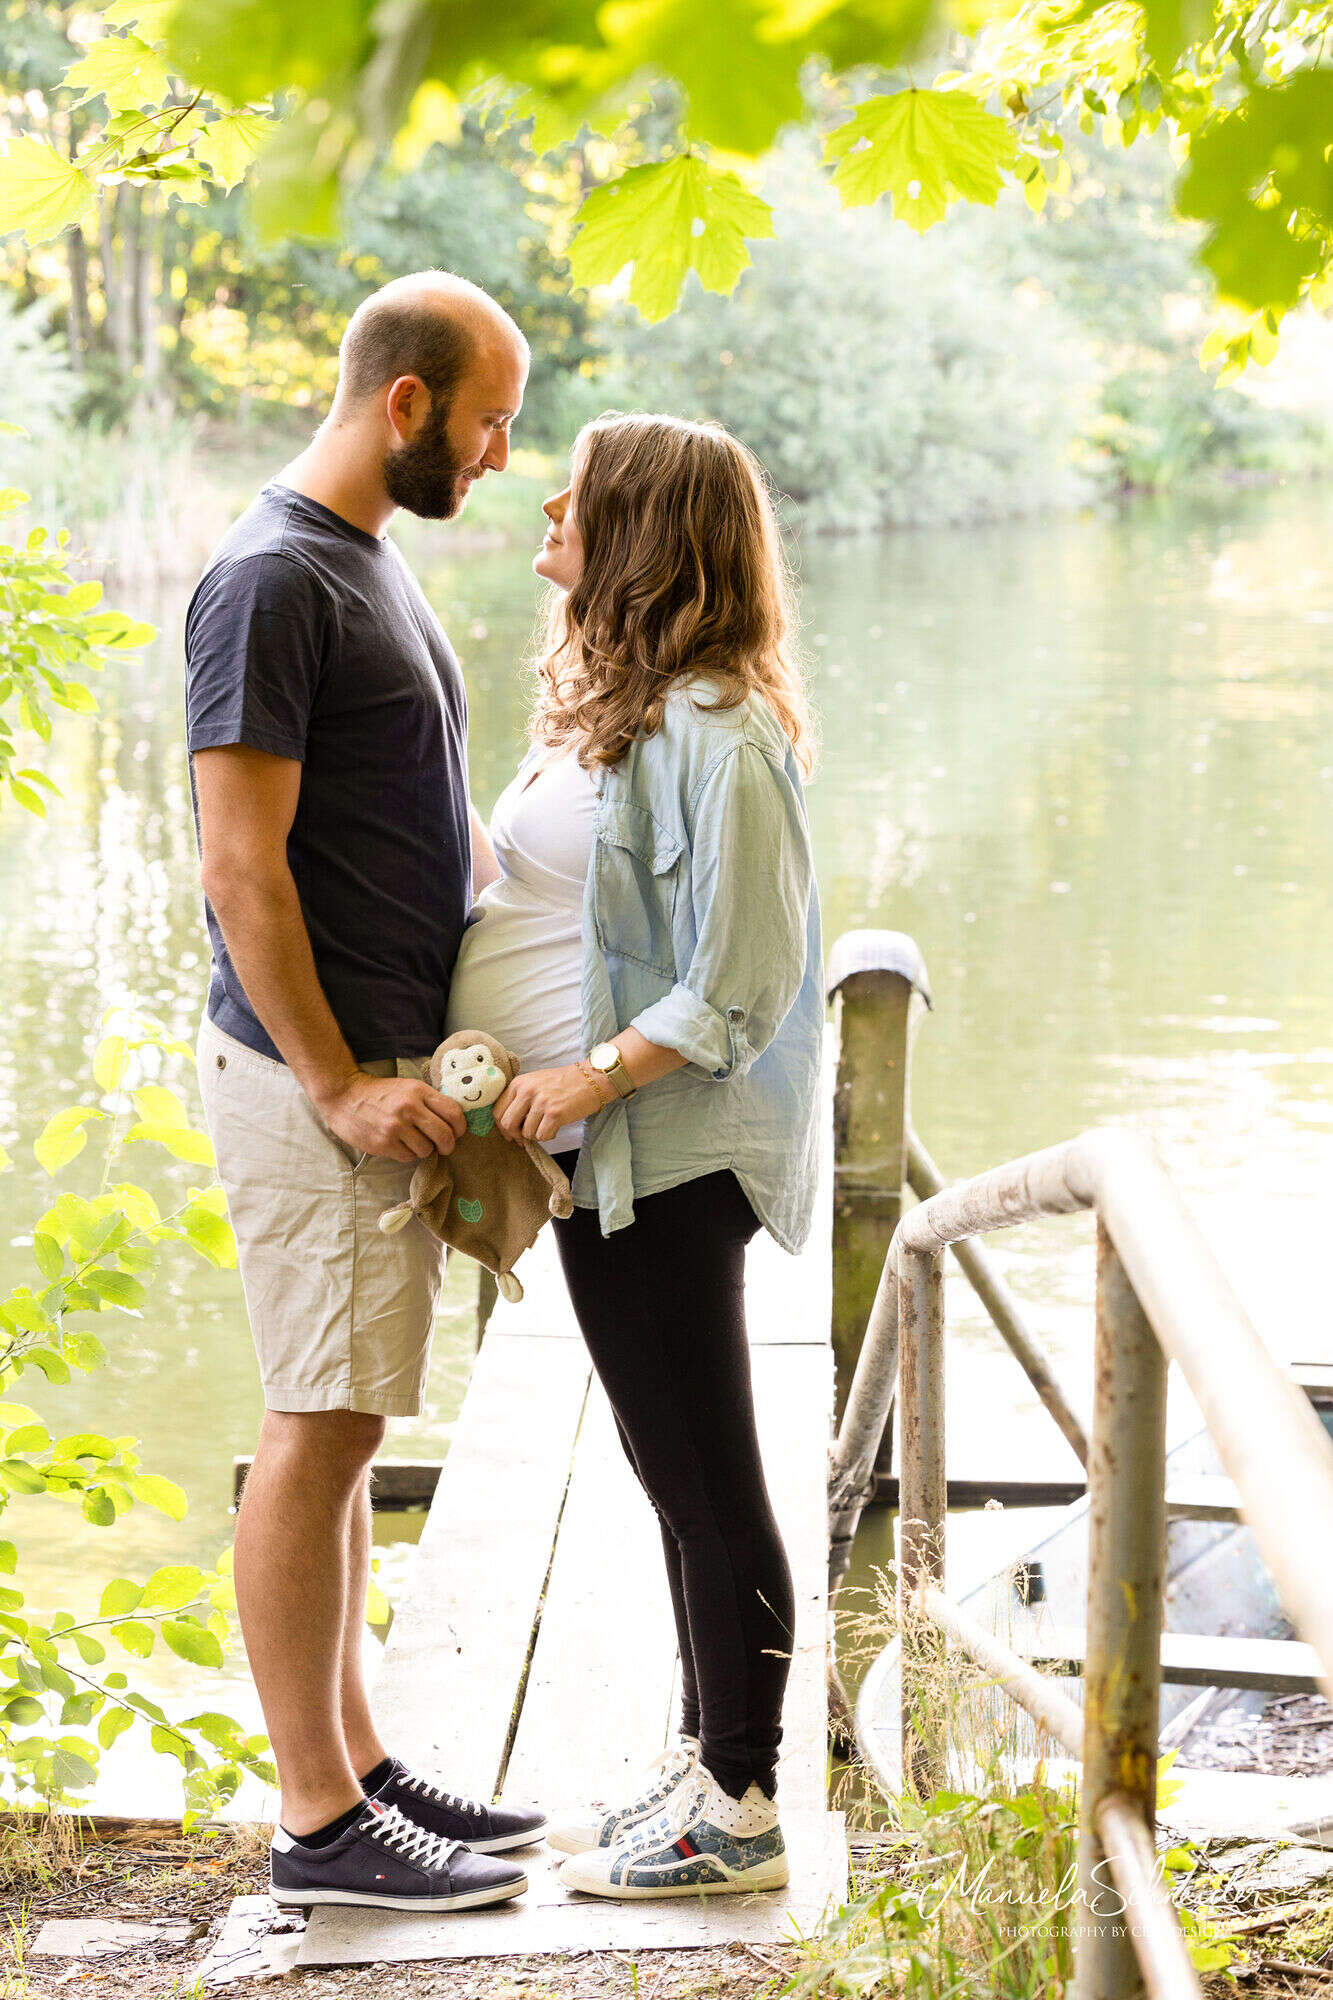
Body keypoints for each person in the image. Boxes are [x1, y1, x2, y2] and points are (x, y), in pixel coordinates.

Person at [186, 271, 546, 1915]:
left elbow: (427, 814)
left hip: (390, 1064)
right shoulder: (270, 578)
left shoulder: (363, 559)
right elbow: (240, 864)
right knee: (315, 1430)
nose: (496, 457)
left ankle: (359, 1764)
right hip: (311, 1078)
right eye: (487, 423)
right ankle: (318, 1826)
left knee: (343, 1423)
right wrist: (336, 1087)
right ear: (406, 403)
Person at [444, 411, 823, 1899]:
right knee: (673, 1476)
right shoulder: (632, 704)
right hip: (609, 1156)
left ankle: (743, 1806)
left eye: (582, 489)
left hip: (665, 1154)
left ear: (645, 532)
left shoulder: (721, 733)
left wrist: (582, 1076)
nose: (547, 500)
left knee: (705, 1477)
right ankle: (706, 1757)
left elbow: (743, 982)